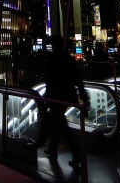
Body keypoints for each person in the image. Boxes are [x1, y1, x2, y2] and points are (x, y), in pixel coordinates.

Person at [42, 34, 89, 168]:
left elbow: (48, 79)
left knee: (60, 124)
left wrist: (47, 96)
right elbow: (77, 79)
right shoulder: (69, 58)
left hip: (56, 96)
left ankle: (76, 153)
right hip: (68, 95)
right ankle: (53, 148)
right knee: (58, 121)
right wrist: (83, 97)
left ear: (54, 44)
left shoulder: (52, 58)